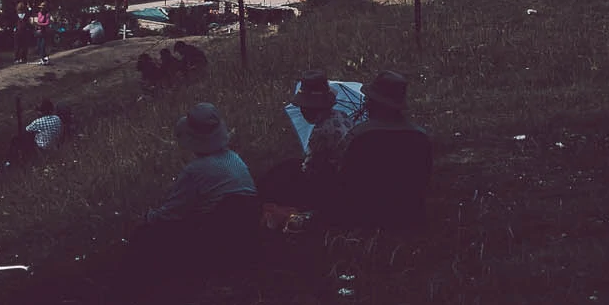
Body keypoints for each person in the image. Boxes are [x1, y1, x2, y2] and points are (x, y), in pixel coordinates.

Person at [133, 102, 259, 267]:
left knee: (146, 235)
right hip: (248, 232)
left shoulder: (195, 171)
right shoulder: (234, 158)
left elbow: (172, 213)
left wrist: (147, 218)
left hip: (217, 240)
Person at [328, 70, 431, 230]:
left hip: (366, 217)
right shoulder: (420, 136)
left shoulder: (361, 135)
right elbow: (424, 178)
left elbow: (345, 180)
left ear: (373, 103)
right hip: (408, 214)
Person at [258, 70, 363, 208]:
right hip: (349, 172)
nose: (302, 111)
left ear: (312, 109)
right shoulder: (342, 115)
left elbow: (309, 169)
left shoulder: (321, 132)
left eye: (304, 108)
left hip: (338, 181)